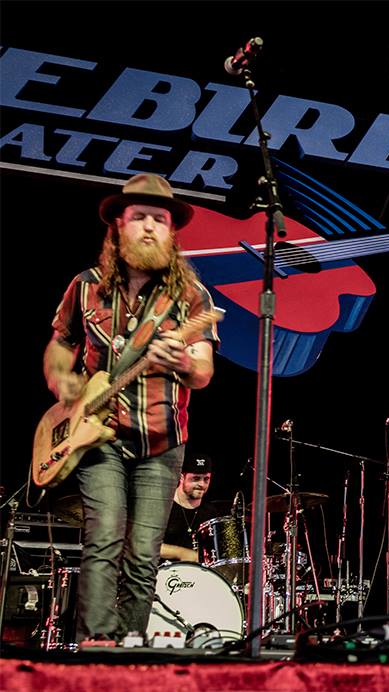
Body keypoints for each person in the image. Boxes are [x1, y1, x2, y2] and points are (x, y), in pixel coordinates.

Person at [43, 173, 218, 643]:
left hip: (163, 443)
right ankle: (96, 644)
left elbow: (203, 371)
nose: (149, 227)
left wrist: (181, 360)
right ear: (118, 226)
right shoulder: (86, 287)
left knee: (143, 554)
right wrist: (63, 382)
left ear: (171, 232)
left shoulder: (191, 296)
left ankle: (129, 646)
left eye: (159, 219)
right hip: (98, 437)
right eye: (139, 217)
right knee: (103, 539)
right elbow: (61, 343)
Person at [161, 452, 223, 563]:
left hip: (197, 572)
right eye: (196, 478)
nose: (202, 484)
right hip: (162, 571)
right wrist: (182, 553)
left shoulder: (210, 513)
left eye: (206, 479)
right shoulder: (163, 505)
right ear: (181, 477)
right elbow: (145, 545)